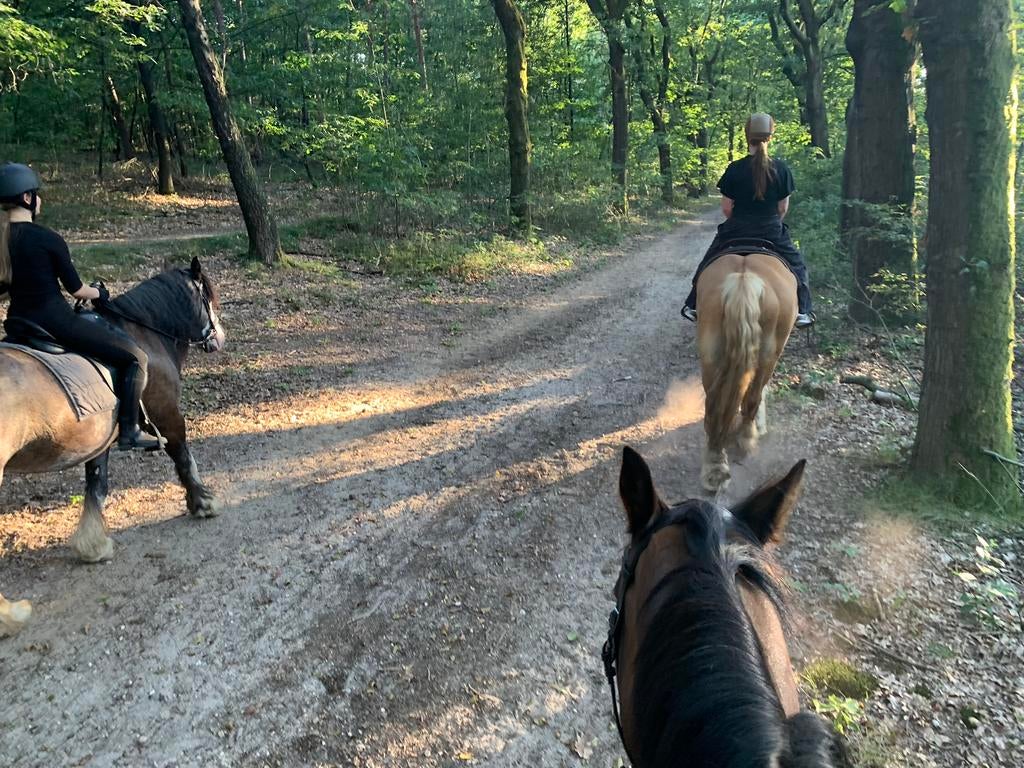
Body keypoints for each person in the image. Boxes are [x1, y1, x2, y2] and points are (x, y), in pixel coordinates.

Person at [0, 162, 160, 450]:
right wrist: (97, 293)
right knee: (137, 358)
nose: (40, 200)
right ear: (26, 198)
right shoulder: (48, 239)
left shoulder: (1, 241)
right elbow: (76, 289)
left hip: (18, 324)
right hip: (56, 322)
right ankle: (130, 430)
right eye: (36, 194)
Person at [681, 113, 814, 328]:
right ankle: (805, 310)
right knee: (798, 266)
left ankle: (693, 304)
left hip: (736, 229)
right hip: (771, 229)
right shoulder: (781, 169)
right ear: (770, 137)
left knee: (707, 262)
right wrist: (773, 222)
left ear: (747, 137)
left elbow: (726, 207)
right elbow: (782, 207)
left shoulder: (734, 168)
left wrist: (739, 221)